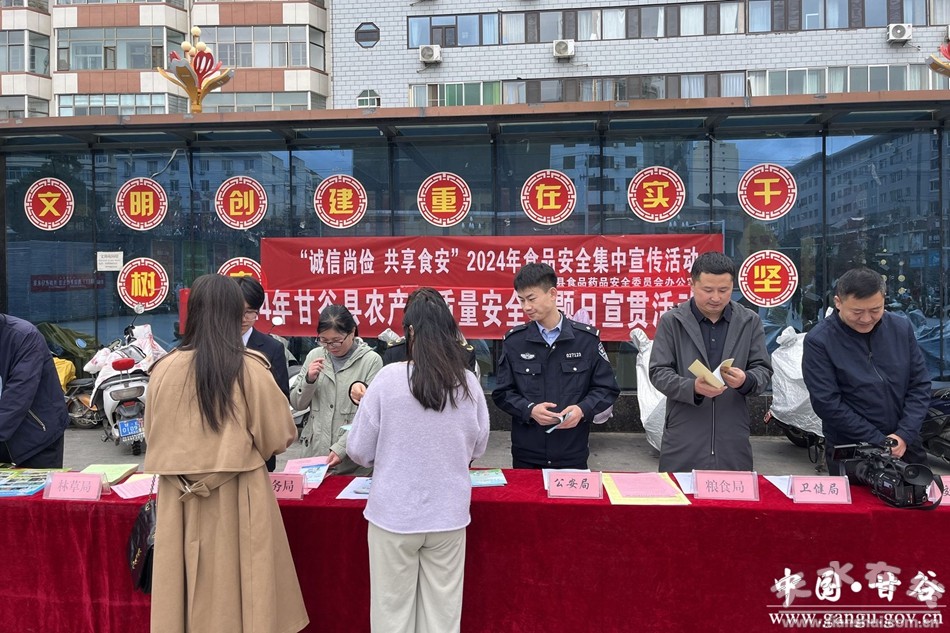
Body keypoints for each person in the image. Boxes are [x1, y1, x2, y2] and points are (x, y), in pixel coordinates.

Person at [143, 274, 308, 633]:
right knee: (245, 596)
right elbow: (280, 435)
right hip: (238, 495)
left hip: (179, 498)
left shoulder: (163, 369)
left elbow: (151, 432)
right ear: (234, 313)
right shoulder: (249, 368)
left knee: (183, 598)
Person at [348, 287, 489, 633]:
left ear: (410, 331)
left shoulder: (387, 379)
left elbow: (359, 450)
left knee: (391, 613)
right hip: (448, 514)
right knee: (442, 615)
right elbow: (479, 447)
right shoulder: (467, 382)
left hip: (393, 515)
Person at [649, 252, 772, 472]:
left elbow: (763, 369)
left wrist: (746, 380)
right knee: (680, 491)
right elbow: (658, 372)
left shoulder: (749, 321)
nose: (716, 298)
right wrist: (692, 387)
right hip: (684, 434)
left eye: (724, 290)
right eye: (708, 290)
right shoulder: (672, 321)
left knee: (733, 492)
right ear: (692, 284)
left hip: (732, 436)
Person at [802, 267, 931, 473]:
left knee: (918, 491)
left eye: (875, 310)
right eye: (857, 312)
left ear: (884, 300)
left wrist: (904, 434)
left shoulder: (900, 327)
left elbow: (919, 385)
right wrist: (879, 441)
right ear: (838, 302)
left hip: (905, 443)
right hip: (853, 448)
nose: (866, 319)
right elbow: (827, 403)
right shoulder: (819, 340)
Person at [492, 263, 619, 469]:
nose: (526, 307)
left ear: (552, 294)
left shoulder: (585, 340)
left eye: (531, 299)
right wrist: (529, 410)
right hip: (527, 454)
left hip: (572, 451)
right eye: (521, 300)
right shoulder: (515, 342)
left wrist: (582, 409)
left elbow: (606, 389)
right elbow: (502, 393)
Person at [290, 304, 382, 474]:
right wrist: (309, 380)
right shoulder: (315, 356)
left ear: (352, 332)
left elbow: (369, 415)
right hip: (314, 459)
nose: (331, 346)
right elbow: (297, 404)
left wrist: (340, 449)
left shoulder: (371, 361)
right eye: (324, 340)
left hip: (352, 464)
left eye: (336, 340)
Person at [0, 313, 70, 468]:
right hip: (4, 438)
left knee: (39, 484)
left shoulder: (25, 336)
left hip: (37, 436)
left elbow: (18, 396)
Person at [235, 275, 290, 472]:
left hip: (259, 449)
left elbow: (282, 398)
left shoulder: (272, 348)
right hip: (220, 450)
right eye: (238, 311)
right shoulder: (213, 347)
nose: (244, 318)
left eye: (250, 312)